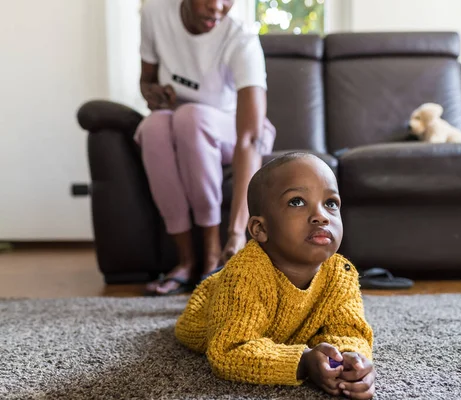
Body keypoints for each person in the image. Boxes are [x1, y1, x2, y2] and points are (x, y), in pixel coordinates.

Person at [175, 153, 376, 399]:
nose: (321, 215)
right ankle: (216, 274)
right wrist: (303, 362)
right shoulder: (244, 276)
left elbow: (350, 331)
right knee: (213, 308)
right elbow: (229, 351)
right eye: (297, 202)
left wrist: (349, 360)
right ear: (260, 228)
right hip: (215, 304)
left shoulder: (341, 275)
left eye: (331, 203)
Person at [135, 0, 276, 295]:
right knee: (152, 127)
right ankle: (185, 261)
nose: (219, 7)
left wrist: (238, 235)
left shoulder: (240, 37)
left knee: (191, 117)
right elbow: (146, 81)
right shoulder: (154, 13)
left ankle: (212, 257)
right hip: (176, 121)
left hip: (230, 127)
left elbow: (250, 136)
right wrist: (154, 94)